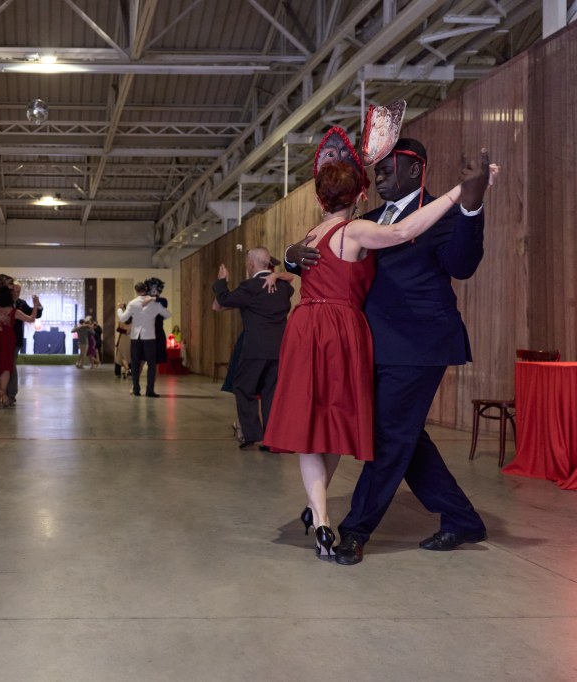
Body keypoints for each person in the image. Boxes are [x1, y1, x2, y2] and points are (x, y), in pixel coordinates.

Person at [264, 129, 497, 560]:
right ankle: (462, 518)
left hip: (419, 343)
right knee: (404, 435)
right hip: (373, 344)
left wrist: (471, 203)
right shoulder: (366, 218)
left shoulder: (437, 214)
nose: (380, 179)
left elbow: (462, 265)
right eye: (377, 172)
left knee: (389, 433)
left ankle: (355, 529)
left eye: (388, 170)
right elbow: (329, 257)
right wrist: (292, 255)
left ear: (415, 169)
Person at [213, 247, 294, 451]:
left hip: (255, 348)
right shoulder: (284, 288)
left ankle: (252, 433)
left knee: (243, 388)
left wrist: (222, 281)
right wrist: (277, 275)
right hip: (279, 348)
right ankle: (271, 439)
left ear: (251, 264)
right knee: (270, 392)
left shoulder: (250, 287)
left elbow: (223, 301)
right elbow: (291, 284)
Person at [0, 280, 43, 406]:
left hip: (14, 340)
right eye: (13, 290)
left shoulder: (21, 304)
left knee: (9, 366)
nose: (16, 293)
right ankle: (2, 394)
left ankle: (9, 394)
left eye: (18, 291)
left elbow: (34, 315)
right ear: (9, 291)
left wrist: (38, 305)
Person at [118, 282, 171, 397]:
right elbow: (168, 315)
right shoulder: (154, 304)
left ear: (136, 291)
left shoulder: (132, 303)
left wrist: (119, 309)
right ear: (146, 289)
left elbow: (122, 318)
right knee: (152, 364)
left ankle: (136, 389)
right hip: (149, 336)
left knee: (136, 364)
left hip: (135, 337)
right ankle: (149, 390)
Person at [114, 303, 131, 378]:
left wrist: (124, 331)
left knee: (121, 356)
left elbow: (118, 329)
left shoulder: (122, 319)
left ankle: (127, 369)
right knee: (128, 356)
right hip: (130, 339)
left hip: (123, 338)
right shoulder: (133, 319)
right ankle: (126, 371)